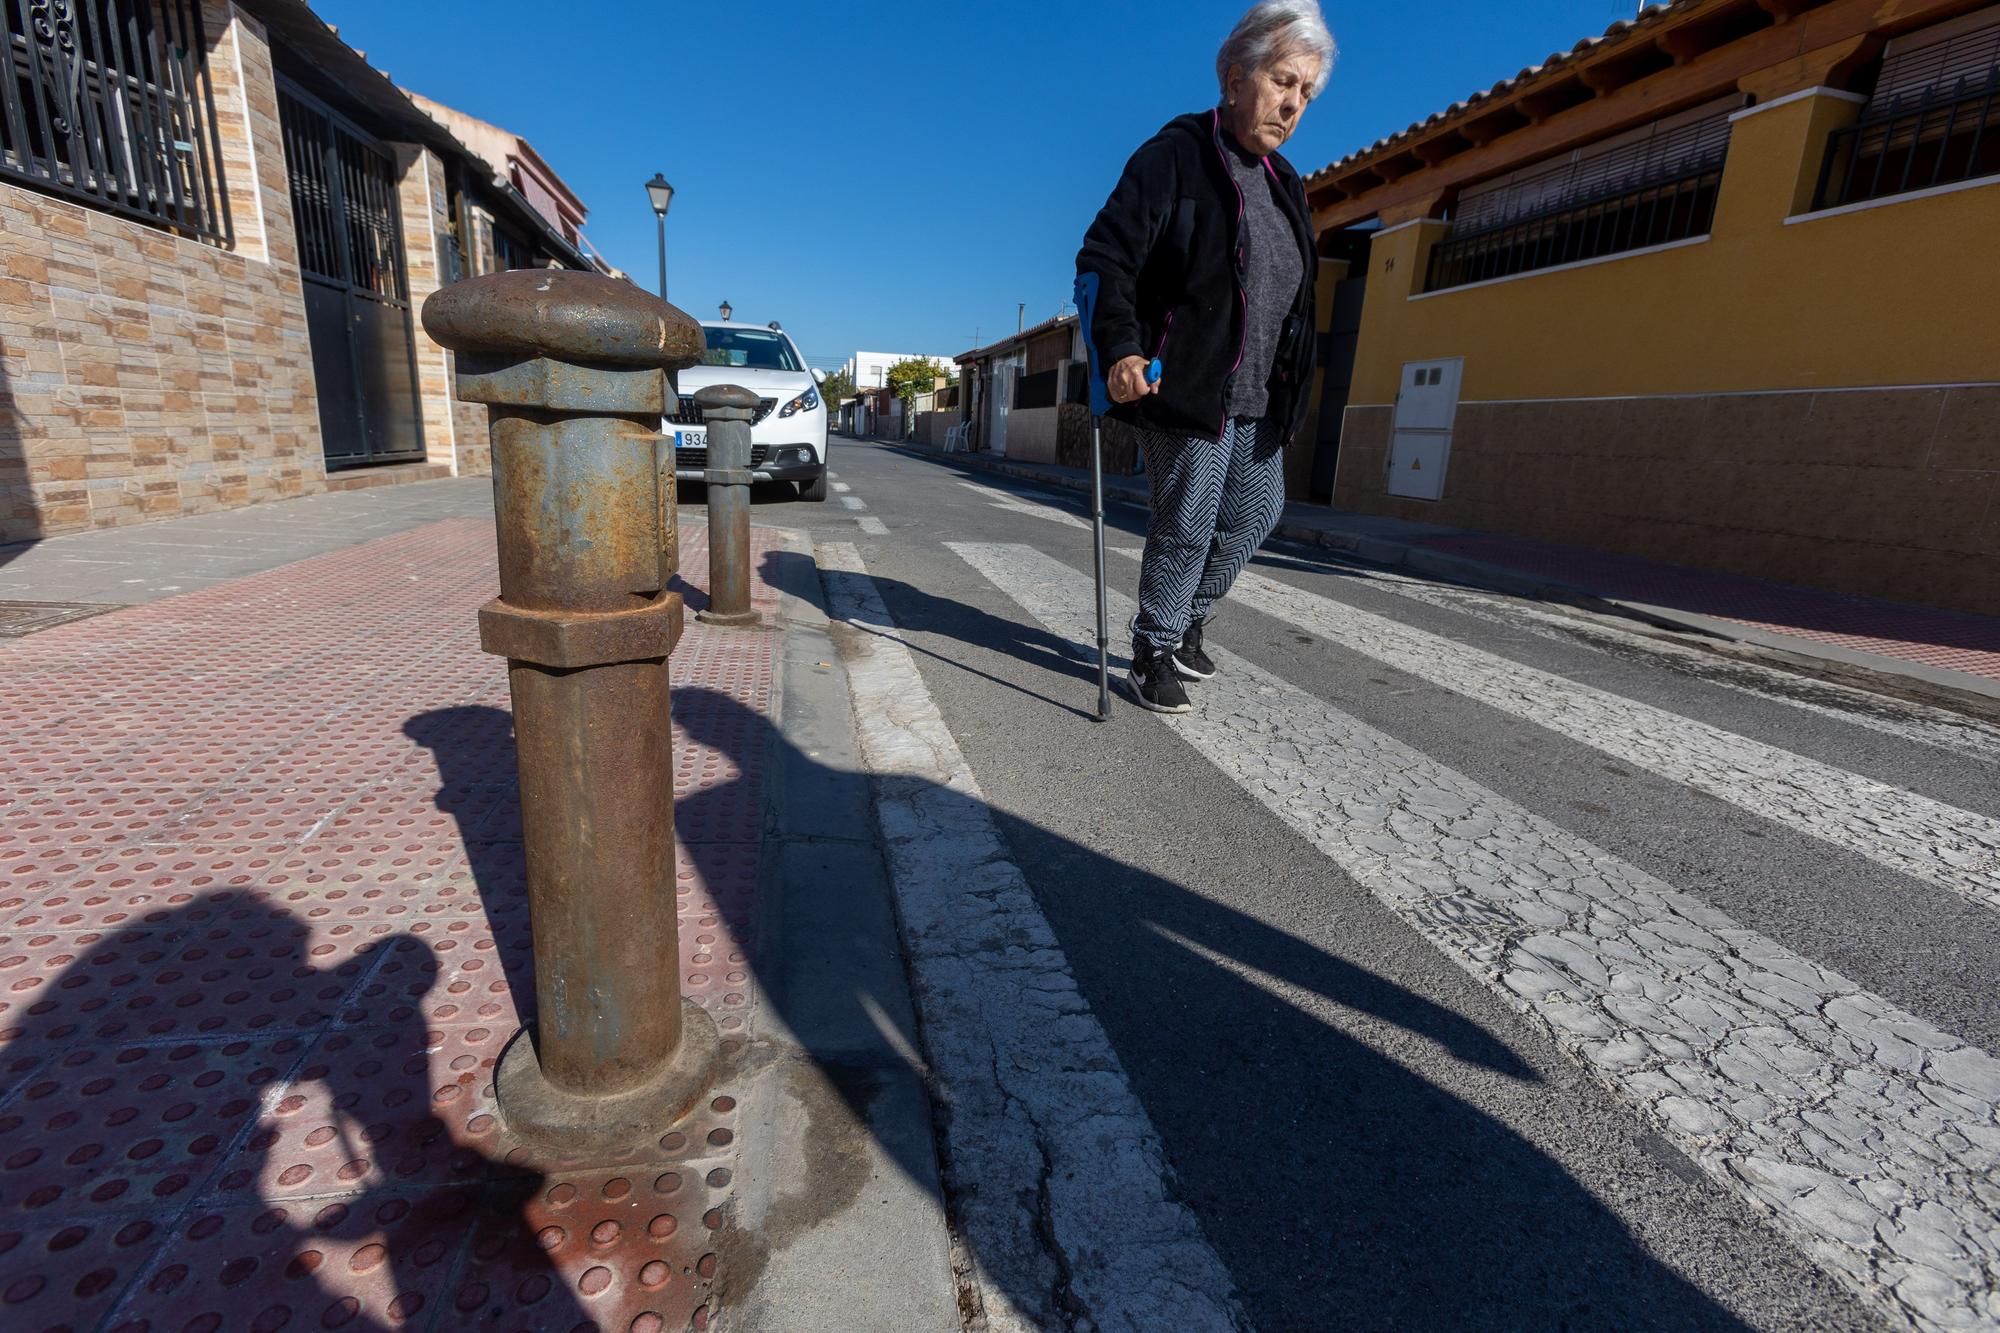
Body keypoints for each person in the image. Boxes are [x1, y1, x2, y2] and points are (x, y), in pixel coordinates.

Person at [1076, 0, 1334, 713]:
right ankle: (1151, 647)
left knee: (1258, 514)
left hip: (1258, 395)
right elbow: (1107, 256)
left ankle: (1188, 617)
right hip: (1181, 380)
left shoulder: (1287, 187)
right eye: (1284, 81)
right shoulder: (1177, 156)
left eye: (1306, 93)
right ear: (1233, 75)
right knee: (1188, 518)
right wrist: (1123, 351)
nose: (1293, 104)